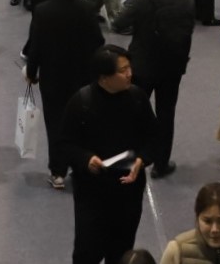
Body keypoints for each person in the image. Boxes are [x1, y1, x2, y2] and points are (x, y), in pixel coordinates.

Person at [61, 45, 158, 264]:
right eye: (123, 70)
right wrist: (86, 159)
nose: (130, 74)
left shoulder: (137, 99)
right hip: (92, 194)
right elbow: (65, 144)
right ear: (104, 78)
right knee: (87, 252)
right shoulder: (81, 103)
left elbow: (154, 137)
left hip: (128, 193)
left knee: (122, 253)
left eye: (129, 67)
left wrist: (142, 160)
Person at [113, 0, 196, 177]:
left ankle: (133, 159)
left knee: (135, 112)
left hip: (144, 64)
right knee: (166, 113)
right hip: (173, 64)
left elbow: (118, 22)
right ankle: (161, 163)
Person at [27, 0, 108, 190]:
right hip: (83, 78)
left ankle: (58, 171)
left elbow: (35, 46)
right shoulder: (87, 9)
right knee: (82, 122)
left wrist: (31, 73)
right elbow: (99, 42)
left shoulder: (42, 11)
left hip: (53, 79)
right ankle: (82, 164)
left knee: (55, 124)